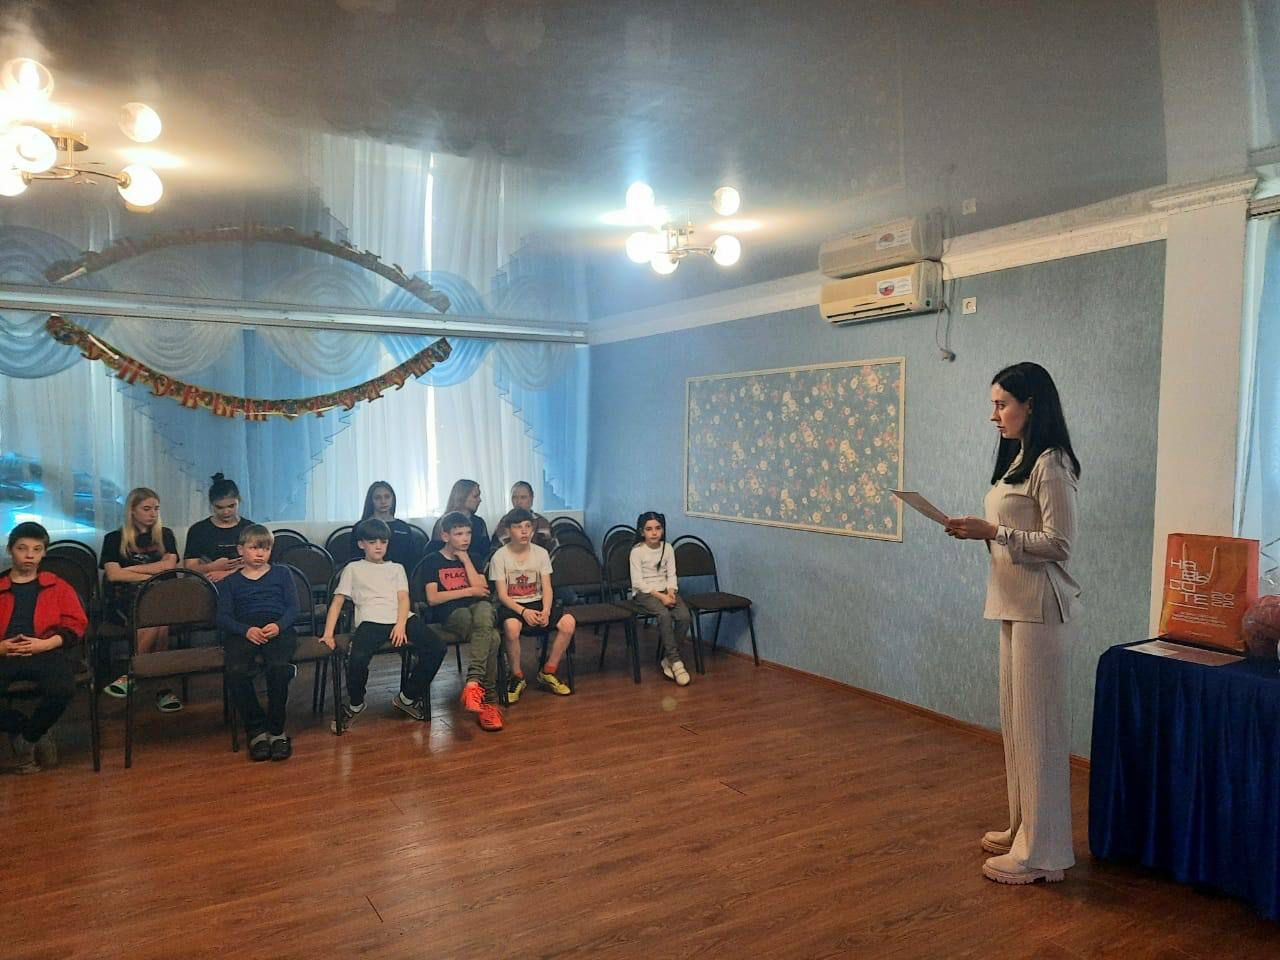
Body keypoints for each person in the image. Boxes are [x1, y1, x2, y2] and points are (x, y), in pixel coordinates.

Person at [944, 361, 1082, 886]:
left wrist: (994, 532)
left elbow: (1060, 544)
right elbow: (1015, 530)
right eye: (994, 405)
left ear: (1031, 404)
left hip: (1041, 607)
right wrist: (980, 531)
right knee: (1017, 723)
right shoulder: (1019, 458)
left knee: (1039, 728)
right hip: (1011, 601)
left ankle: (1043, 854)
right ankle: (1023, 827)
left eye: (1002, 404)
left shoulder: (1052, 462)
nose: (994, 415)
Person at [320, 518, 447, 727]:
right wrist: (328, 633)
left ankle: (407, 697)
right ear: (361, 544)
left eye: (383, 541)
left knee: (437, 647)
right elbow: (337, 602)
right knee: (358, 658)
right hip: (371, 620)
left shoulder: (396, 568)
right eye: (372, 542)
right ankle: (355, 704)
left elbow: (404, 599)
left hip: (401, 618)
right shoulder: (353, 568)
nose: (378, 546)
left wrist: (400, 624)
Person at [0, 522, 87, 773]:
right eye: (22, 548)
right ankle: (25, 727)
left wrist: (46, 644)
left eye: (36, 549)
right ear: (10, 550)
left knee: (63, 688)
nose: (29, 555)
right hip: (5, 653)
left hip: (45, 649)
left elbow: (76, 624)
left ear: (44, 553)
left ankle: (28, 739)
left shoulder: (57, 585)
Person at [216, 525, 300, 762]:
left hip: (277, 627)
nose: (260, 553)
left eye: (266, 548)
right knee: (235, 671)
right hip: (245, 630)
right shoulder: (230, 582)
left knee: (279, 668)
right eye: (254, 548)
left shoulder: (282, 573)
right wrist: (245, 630)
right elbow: (222, 617)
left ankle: (276, 730)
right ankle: (256, 729)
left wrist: (279, 626)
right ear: (240, 550)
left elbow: (294, 608)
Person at [100, 487, 182, 712]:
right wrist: (153, 571)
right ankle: (162, 689)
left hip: (161, 595)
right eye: (146, 509)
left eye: (156, 508)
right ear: (132, 511)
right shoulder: (113, 539)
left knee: (159, 614)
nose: (153, 514)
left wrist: (129, 570)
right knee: (159, 622)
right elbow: (114, 575)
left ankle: (132, 674)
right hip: (126, 599)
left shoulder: (165, 535)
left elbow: (169, 567)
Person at [423, 511, 503, 732]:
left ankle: (473, 684)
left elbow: (483, 591)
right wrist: (468, 591)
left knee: (485, 608)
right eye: (459, 534)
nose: (465, 538)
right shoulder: (432, 561)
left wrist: (466, 560)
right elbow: (433, 598)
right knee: (493, 638)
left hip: (479, 609)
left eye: (468, 533)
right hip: (451, 613)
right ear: (445, 536)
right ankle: (489, 702)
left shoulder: (474, 557)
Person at [489, 508, 576, 700]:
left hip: (537, 602)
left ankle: (548, 671)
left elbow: (547, 587)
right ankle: (517, 676)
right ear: (508, 530)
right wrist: (523, 612)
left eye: (528, 526)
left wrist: (546, 610)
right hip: (513, 605)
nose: (524, 531)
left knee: (568, 622)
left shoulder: (541, 553)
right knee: (512, 627)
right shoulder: (500, 556)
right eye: (518, 527)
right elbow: (502, 595)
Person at [629, 511, 692, 686]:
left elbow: (671, 574)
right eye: (649, 529)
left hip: (666, 590)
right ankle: (676, 662)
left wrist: (671, 592)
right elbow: (638, 582)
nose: (654, 532)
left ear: (663, 530)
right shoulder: (637, 551)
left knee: (684, 616)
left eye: (658, 528)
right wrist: (661, 597)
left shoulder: (668, 548)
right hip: (645, 593)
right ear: (642, 532)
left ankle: (668, 659)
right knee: (664, 615)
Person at [184, 473, 252, 583]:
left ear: (239, 500)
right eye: (219, 507)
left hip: (243, 582)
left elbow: (260, 563)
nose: (226, 512)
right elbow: (189, 568)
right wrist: (212, 567)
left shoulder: (250, 529)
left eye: (231, 506)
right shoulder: (198, 530)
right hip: (209, 582)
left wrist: (228, 574)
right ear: (212, 504)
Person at [352, 481, 420, 573]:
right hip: (368, 574)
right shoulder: (360, 526)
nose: (383, 501)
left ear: (393, 499)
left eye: (387, 497)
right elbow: (355, 558)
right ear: (371, 501)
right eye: (378, 498)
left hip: (399, 575)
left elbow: (412, 560)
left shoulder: (403, 527)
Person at [431, 479, 489, 570]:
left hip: (475, 568)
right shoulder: (442, 522)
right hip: (447, 569)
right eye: (475, 496)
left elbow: (486, 552)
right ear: (462, 497)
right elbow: (434, 554)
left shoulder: (479, 522)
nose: (479, 500)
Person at [491, 481, 555, 551]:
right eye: (515, 497)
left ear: (531, 499)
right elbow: (494, 550)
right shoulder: (504, 522)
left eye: (523, 497)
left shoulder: (542, 522)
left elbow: (552, 551)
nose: (519, 502)